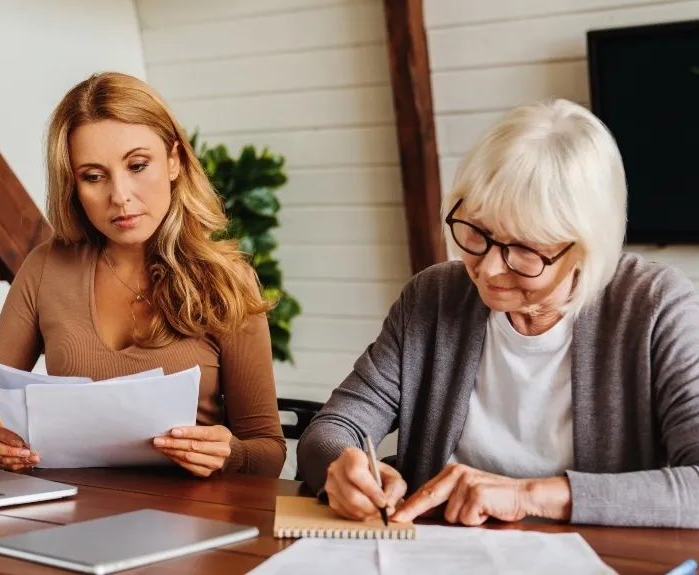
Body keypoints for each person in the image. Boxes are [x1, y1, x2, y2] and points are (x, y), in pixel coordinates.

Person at [297, 99, 699, 528]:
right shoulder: (432, 297)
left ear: (585, 248)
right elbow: (332, 428)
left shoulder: (657, 307)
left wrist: (529, 496)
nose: (487, 270)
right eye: (477, 232)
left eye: (523, 250)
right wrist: (342, 467)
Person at [0, 72, 285, 478]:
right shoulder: (47, 267)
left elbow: (268, 451)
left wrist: (228, 454)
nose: (120, 196)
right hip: (69, 512)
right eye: (94, 176)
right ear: (73, 185)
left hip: (193, 520)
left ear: (175, 161)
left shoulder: (226, 280)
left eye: (138, 165)